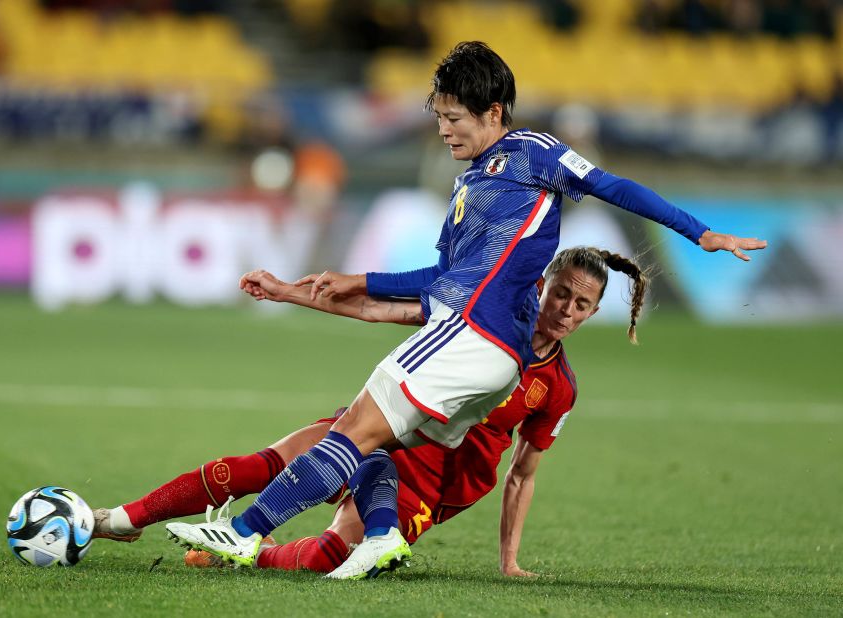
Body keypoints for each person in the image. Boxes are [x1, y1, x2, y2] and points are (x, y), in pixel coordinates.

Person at [165, 41, 767, 579]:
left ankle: (244, 534)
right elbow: (439, 280)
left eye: (454, 118)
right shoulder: (466, 189)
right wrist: (349, 282)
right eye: (440, 117)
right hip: (480, 345)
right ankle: (376, 538)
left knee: (353, 428)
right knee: (374, 445)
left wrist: (700, 232)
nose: (444, 130)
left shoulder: (533, 152)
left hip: (476, 335)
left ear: (493, 114)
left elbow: (614, 187)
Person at [96, 247, 645, 578]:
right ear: (542, 284)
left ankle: (241, 555)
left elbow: (522, 474)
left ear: (593, 312)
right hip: (391, 420)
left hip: (438, 481)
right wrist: (288, 292)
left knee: (329, 557)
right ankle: (118, 519)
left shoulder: (558, 388)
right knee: (266, 464)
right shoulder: (487, 314)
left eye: (581, 306)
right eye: (560, 295)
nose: (565, 312)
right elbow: (382, 310)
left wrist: (509, 561)